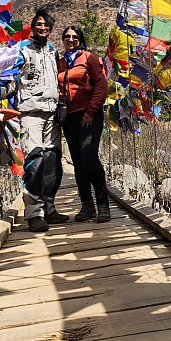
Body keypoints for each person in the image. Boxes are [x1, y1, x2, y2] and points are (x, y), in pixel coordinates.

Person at [16, 8, 69, 232]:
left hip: (51, 112)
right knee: (35, 161)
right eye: (39, 24)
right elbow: (10, 77)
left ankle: (50, 208)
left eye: (46, 25)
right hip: (30, 112)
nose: (43, 28)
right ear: (33, 26)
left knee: (53, 162)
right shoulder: (22, 50)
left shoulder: (53, 51)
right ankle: (34, 214)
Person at [58, 25, 111, 223]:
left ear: (80, 39)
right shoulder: (60, 63)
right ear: (63, 39)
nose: (71, 40)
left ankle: (103, 205)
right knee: (78, 162)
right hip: (69, 117)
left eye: (75, 37)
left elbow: (101, 86)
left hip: (89, 114)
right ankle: (87, 206)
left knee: (89, 157)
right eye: (67, 37)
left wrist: (91, 111)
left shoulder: (90, 58)